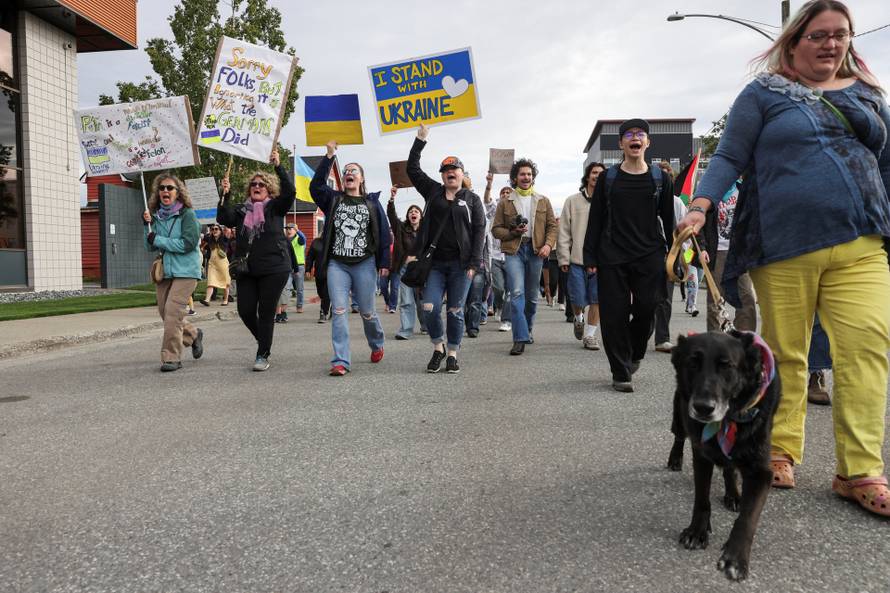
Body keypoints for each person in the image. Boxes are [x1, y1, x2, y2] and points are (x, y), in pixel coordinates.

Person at [679, 0, 890, 517]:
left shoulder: (869, 96)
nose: (831, 44)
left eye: (840, 35)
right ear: (794, 42)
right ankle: (778, 450)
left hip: (863, 242)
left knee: (867, 347)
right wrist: (701, 205)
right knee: (786, 353)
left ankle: (859, 470)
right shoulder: (764, 93)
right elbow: (729, 155)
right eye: (818, 36)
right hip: (784, 241)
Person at [583, 119, 675, 392]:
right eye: (629, 135)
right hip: (612, 255)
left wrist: (676, 257)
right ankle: (620, 371)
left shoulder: (661, 179)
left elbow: (668, 221)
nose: (635, 138)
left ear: (647, 143)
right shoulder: (609, 179)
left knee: (648, 307)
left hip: (650, 254)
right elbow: (596, 220)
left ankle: (635, 351)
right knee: (614, 314)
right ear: (622, 143)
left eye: (640, 135)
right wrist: (590, 257)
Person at [407, 123, 485, 373]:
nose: (449, 172)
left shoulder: (472, 200)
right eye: (445, 169)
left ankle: (452, 352)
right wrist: (420, 140)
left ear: (462, 174)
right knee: (429, 308)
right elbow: (412, 169)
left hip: (461, 266)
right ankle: (437, 346)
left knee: (454, 310)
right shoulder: (433, 192)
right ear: (441, 175)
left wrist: (474, 263)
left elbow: (479, 231)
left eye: (454, 168)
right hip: (434, 265)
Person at [310, 140, 391, 376]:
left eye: (353, 171)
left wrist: (384, 263)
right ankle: (340, 361)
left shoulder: (372, 204)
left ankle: (376, 343)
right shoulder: (333, 200)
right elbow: (316, 186)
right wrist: (329, 156)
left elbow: (384, 235)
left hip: (364, 264)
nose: (348, 174)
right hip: (337, 264)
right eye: (346, 171)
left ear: (362, 179)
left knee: (367, 311)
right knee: (339, 311)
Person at [217, 148, 295, 372]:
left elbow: (290, 192)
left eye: (261, 184)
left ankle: (263, 353)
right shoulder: (241, 210)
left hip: (274, 267)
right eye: (254, 185)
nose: (257, 187)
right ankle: (264, 340)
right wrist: (225, 194)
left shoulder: (275, 208)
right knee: (245, 310)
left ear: (268, 188)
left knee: (267, 311)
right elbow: (223, 217)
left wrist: (279, 166)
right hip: (247, 268)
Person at [491, 158, 558, 355]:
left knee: (532, 297)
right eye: (522, 174)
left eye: (529, 174)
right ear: (515, 178)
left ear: (533, 177)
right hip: (515, 251)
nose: (526, 177)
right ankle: (519, 338)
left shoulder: (543, 200)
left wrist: (548, 245)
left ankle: (527, 329)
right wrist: (513, 232)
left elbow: (552, 227)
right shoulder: (505, 202)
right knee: (516, 293)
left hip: (537, 251)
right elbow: (496, 229)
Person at [142, 173, 204, 372]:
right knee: (164, 312)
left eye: (170, 188)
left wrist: (158, 240)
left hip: (187, 271)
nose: (165, 191)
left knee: (172, 313)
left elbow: (188, 244)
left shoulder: (188, 215)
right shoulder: (157, 216)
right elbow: (150, 246)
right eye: (161, 188)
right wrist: (147, 228)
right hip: (166, 271)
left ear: (178, 192)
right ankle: (193, 334)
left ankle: (171, 357)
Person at [700, 178, 757, 332]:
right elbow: (698, 223)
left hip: (739, 253)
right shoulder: (710, 192)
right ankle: (716, 341)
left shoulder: (743, 189)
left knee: (747, 297)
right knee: (715, 299)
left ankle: (745, 340)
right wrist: (702, 248)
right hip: (716, 252)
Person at [558, 161, 605, 351]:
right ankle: (578, 318)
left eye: (601, 174)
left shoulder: (609, 201)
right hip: (576, 260)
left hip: (601, 261)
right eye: (594, 173)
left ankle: (590, 335)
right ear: (587, 176)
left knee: (597, 300)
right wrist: (562, 257)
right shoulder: (572, 201)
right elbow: (564, 232)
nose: (597, 176)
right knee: (577, 299)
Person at [652, 160, 684, 353]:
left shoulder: (678, 202)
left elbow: (684, 229)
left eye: (666, 176)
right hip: (647, 253)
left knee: (666, 297)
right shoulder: (645, 198)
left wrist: (683, 255)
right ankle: (638, 336)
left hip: (670, 254)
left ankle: (662, 338)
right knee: (646, 298)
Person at [387, 187, 424, 339]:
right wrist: (392, 199)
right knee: (407, 301)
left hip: (423, 270)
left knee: (423, 302)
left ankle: (427, 325)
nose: (413, 213)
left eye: (416, 211)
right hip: (405, 269)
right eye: (410, 211)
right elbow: (392, 217)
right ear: (408, 216)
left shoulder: (426, 230)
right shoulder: (401, 229)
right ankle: (406, 330)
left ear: (421, 215)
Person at [483, 175, 512, 333]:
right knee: (499, 288)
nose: (506, 194)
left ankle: (507, 319)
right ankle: (498, 306)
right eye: (503, 192)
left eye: (509, 192)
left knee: (510, 289)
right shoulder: (494, 209)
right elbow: (487, 199)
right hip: (495, 255)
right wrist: (489, 184)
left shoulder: (516, 209)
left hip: (511, 255)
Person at [200, 225, 230, 306]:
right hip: (212, 264)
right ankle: (207, 300)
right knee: (211, 281)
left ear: (220, 231)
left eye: (216, 229)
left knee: (225, 281)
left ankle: (226, 300)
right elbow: (200, 235)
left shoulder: (224, 238)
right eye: (212, 229)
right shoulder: (210, 239)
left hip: (222, 263)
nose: (214, 230)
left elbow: (228, 230)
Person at [305, 232, 331, 323]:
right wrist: (308, 269)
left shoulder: (334, 242)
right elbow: (310, 257)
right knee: (321, 293)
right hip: (319, 273)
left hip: (331, 273)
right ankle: (330, 306)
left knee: (326, 293)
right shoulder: (316, 242)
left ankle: (323, 313)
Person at [286, 223, 307, 313]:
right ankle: (284, 307)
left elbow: (303, 238)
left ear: (295, 230)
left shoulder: (299, 239)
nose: (288, 230)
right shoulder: (285, 240)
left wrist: (298, 231)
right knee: (286, 287)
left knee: (299, 289)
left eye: (291, 228)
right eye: (287, 228)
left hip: (299, 266)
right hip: (288, 266)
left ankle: (299, 306)